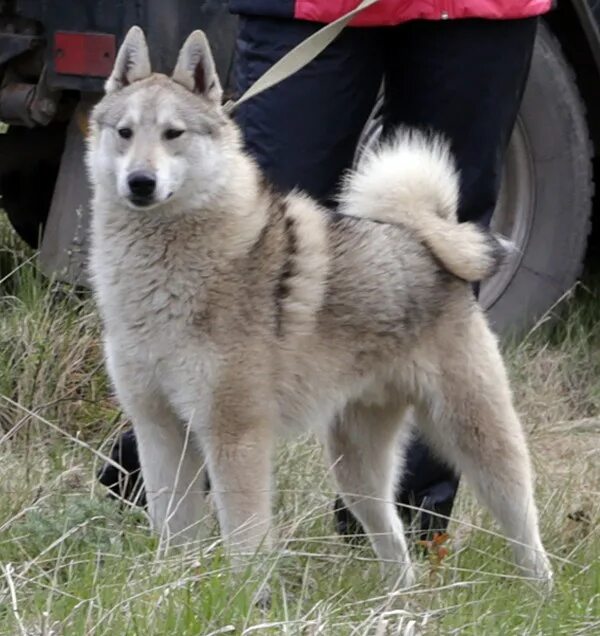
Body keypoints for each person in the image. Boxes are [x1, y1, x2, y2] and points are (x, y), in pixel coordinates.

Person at [99, 0, 551, 539]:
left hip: (479, 9)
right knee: (258, 210)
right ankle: (166, 514)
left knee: (439, 242)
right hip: (309, 7)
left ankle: (408, 526)